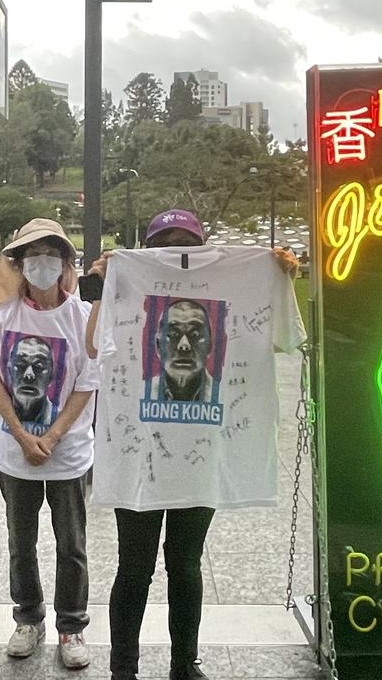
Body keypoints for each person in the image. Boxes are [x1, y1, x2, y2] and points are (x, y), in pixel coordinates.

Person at [85, 208, 299, 680]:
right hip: (139, 455)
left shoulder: (242, 277)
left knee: (185, 565)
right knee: (134, 568)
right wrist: (106, 283)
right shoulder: (127, 276)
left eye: (187, 242)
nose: (184, 345)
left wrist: (278, 277)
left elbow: (288, 340)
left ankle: (185, 664)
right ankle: (124, 669)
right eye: (167, 243)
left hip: (203, 458)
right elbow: (94, 346)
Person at [0, 218, 97, 669]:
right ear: (21, 264)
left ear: (66, 264)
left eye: (52, 255)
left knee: (72, 544)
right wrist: (24, 435)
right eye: (33, 256)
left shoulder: (82, 317)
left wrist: (50, 435)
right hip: (15, 455)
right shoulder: (5, 316)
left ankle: (72, 626)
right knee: (20, 542)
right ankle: (27, 618)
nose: (42, 264)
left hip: (67, 456)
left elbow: (88, 384)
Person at [147, 299, 215, 403]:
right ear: (158, 345)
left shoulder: (223, 394)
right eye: (174, 334)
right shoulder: (141, 392)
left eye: (195, 335)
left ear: (209, 346)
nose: (184, 346)